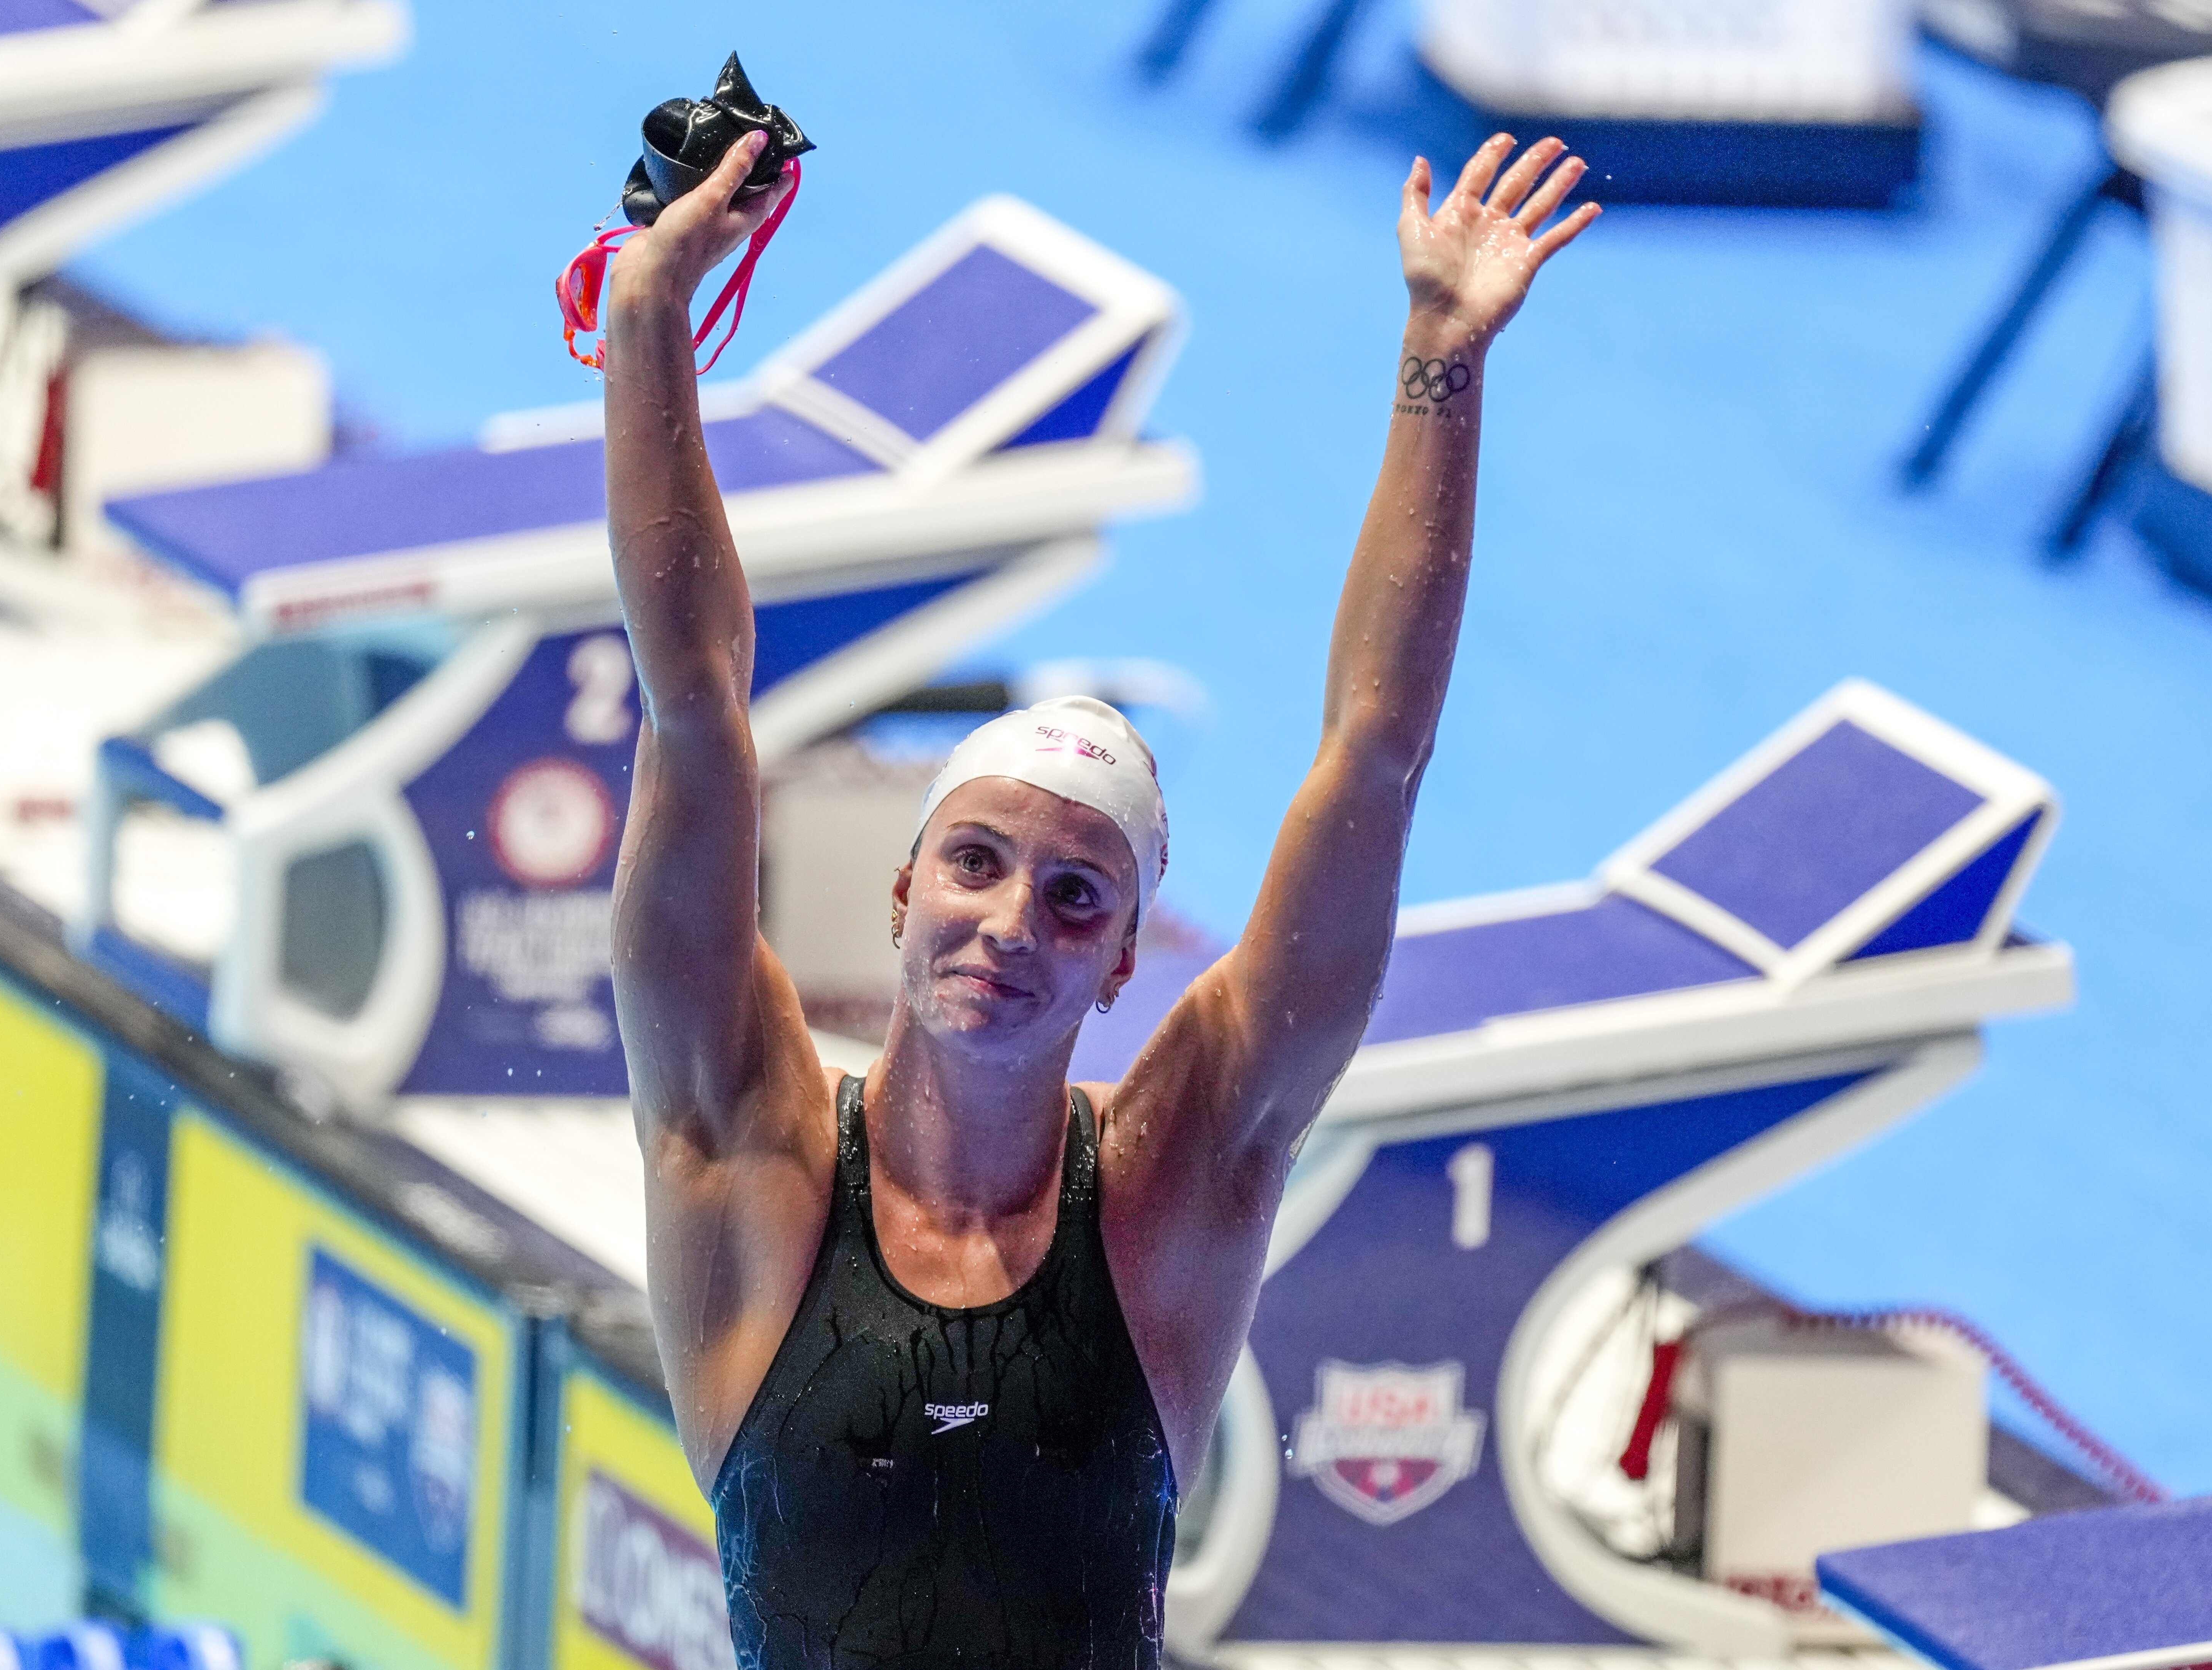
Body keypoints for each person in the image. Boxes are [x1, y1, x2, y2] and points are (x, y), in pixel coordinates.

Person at [604, 124, 1599, 1668]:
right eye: (977, 864)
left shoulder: (1173, 1184)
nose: (1008, 924)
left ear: (1128, 957)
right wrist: (649, 323)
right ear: (901, 883)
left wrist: (1440, 358)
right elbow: (693, 700)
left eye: (1073, 897)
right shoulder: (755, 1151)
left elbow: (1374, 756)